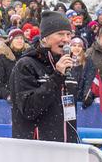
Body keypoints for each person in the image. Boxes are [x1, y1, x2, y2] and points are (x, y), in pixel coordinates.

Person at [10, 11, 79, 143]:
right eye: (60, 34)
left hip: (66, 148)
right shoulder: (26, 65)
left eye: (68, 34)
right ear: (45, 38)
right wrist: (57, 76)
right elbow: (29, 109)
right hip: (37, 149)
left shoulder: (69, 67)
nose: (66, 39)